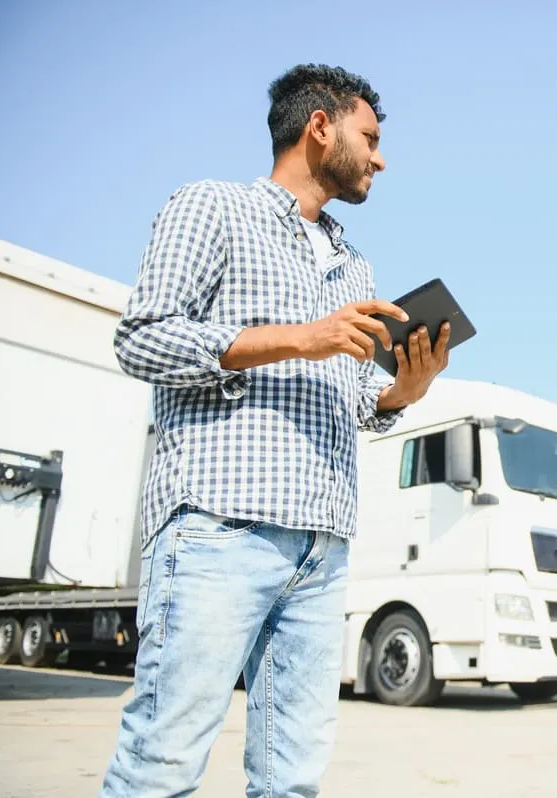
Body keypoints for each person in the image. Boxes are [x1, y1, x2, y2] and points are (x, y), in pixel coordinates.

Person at [98, 63, 449, 797]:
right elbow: (142, 340)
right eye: (370, 137)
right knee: (160, 767)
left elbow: (357, 400)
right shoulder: (211, 207)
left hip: (320, 549)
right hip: (218, 530)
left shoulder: (357, 266)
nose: (381, 157)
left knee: (292, 781)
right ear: (319, 127)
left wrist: (402, 392)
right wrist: (299, 337)